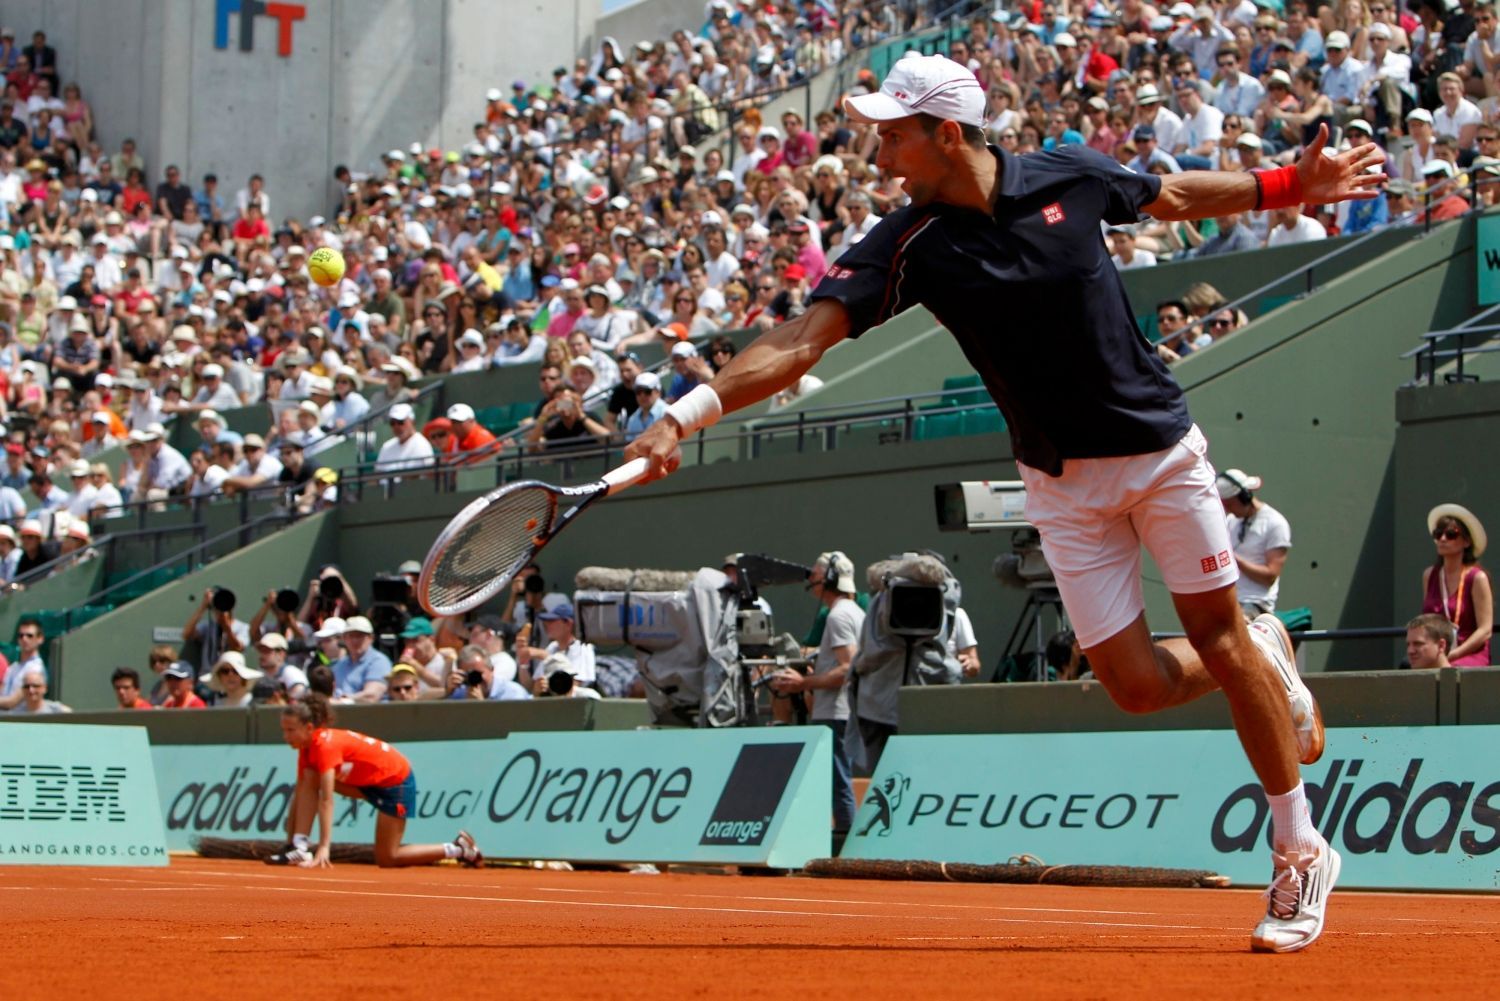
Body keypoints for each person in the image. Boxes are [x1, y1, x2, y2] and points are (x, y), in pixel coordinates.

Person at [626, 52, 1383, 955]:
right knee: (1136, 685)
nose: (879, 150)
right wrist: (687, 412)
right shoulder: (906, 243)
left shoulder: (1070, 171)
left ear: (947, 133)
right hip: (1059, 484)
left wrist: (1285, 185)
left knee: (1216, 634)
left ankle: (1297, 843)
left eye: (894, 132)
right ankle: (1264, 646)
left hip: (1159, 452)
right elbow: (799, 341)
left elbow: (1171, 196)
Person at [267, 693, 482, 868]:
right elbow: (302, 794)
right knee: (308, 778)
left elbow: (326, 799)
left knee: (389, 857)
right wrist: (289, 843)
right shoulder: (306, 749)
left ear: (309, 728)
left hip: (395, 781)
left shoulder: (325, 747)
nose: (286, 736)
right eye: (283, 730)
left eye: (290, 730)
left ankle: (458, 848)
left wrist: (324, 846)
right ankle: (299, 847)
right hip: (367, 782)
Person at [770, 552, 861, 837]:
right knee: (835, 779)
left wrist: (802, 683)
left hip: (835, 712)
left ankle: (844, 842)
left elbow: (847, 668)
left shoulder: (838, 616)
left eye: (817, 575)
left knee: (837, 780)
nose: (811, 580)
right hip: (842, 711)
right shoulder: (854, 611)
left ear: (831, 579)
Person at [1421, 503, 1492, 667]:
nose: (1443, 539)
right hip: (1437, 652)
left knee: (1451, 671)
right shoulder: (1429, 575)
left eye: (1451, 534)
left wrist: (1454, 654)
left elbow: (1485, 630)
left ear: (1467, 542)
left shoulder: (1477, 578)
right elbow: (1426, 621)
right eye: (1438, 534)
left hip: (1468, 653)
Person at [1219, 469, 1293, 617]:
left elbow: (1270, 576)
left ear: (1244, 497)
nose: (1227, 510)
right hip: (1228, 599)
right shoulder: (1231, 521)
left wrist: (1234, 559)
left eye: (1229, 505)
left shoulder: (1275, 523)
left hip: (1255, 604)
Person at [329, 615, 392, 702]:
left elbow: (371, 697)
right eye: (351, 636)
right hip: (340, 713)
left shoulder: (379, 661)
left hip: (370, 714)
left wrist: (344, 700)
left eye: (359, 636)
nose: (355, 640)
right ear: (344, 639)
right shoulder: (339, 665)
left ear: (371, 638)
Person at [0, 616, 47, 711]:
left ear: (40, 639)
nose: (24, 639)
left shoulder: (37, 669)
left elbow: (11, 702)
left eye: (29, 636)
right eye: (21, 636)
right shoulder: (14, 667)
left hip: (21, 721)